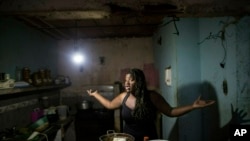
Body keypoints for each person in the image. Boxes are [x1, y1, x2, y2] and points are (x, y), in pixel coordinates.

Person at [87, 68, 215, 141]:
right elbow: (109, 105)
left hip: (148, 138)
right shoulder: (123, 97)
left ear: (139, 82)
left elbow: (170, 112)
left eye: (131, 80)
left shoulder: (152, 97)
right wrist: (95, 94)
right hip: (128, 139)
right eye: (125, 80)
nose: (126, 83)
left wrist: (192, 106)